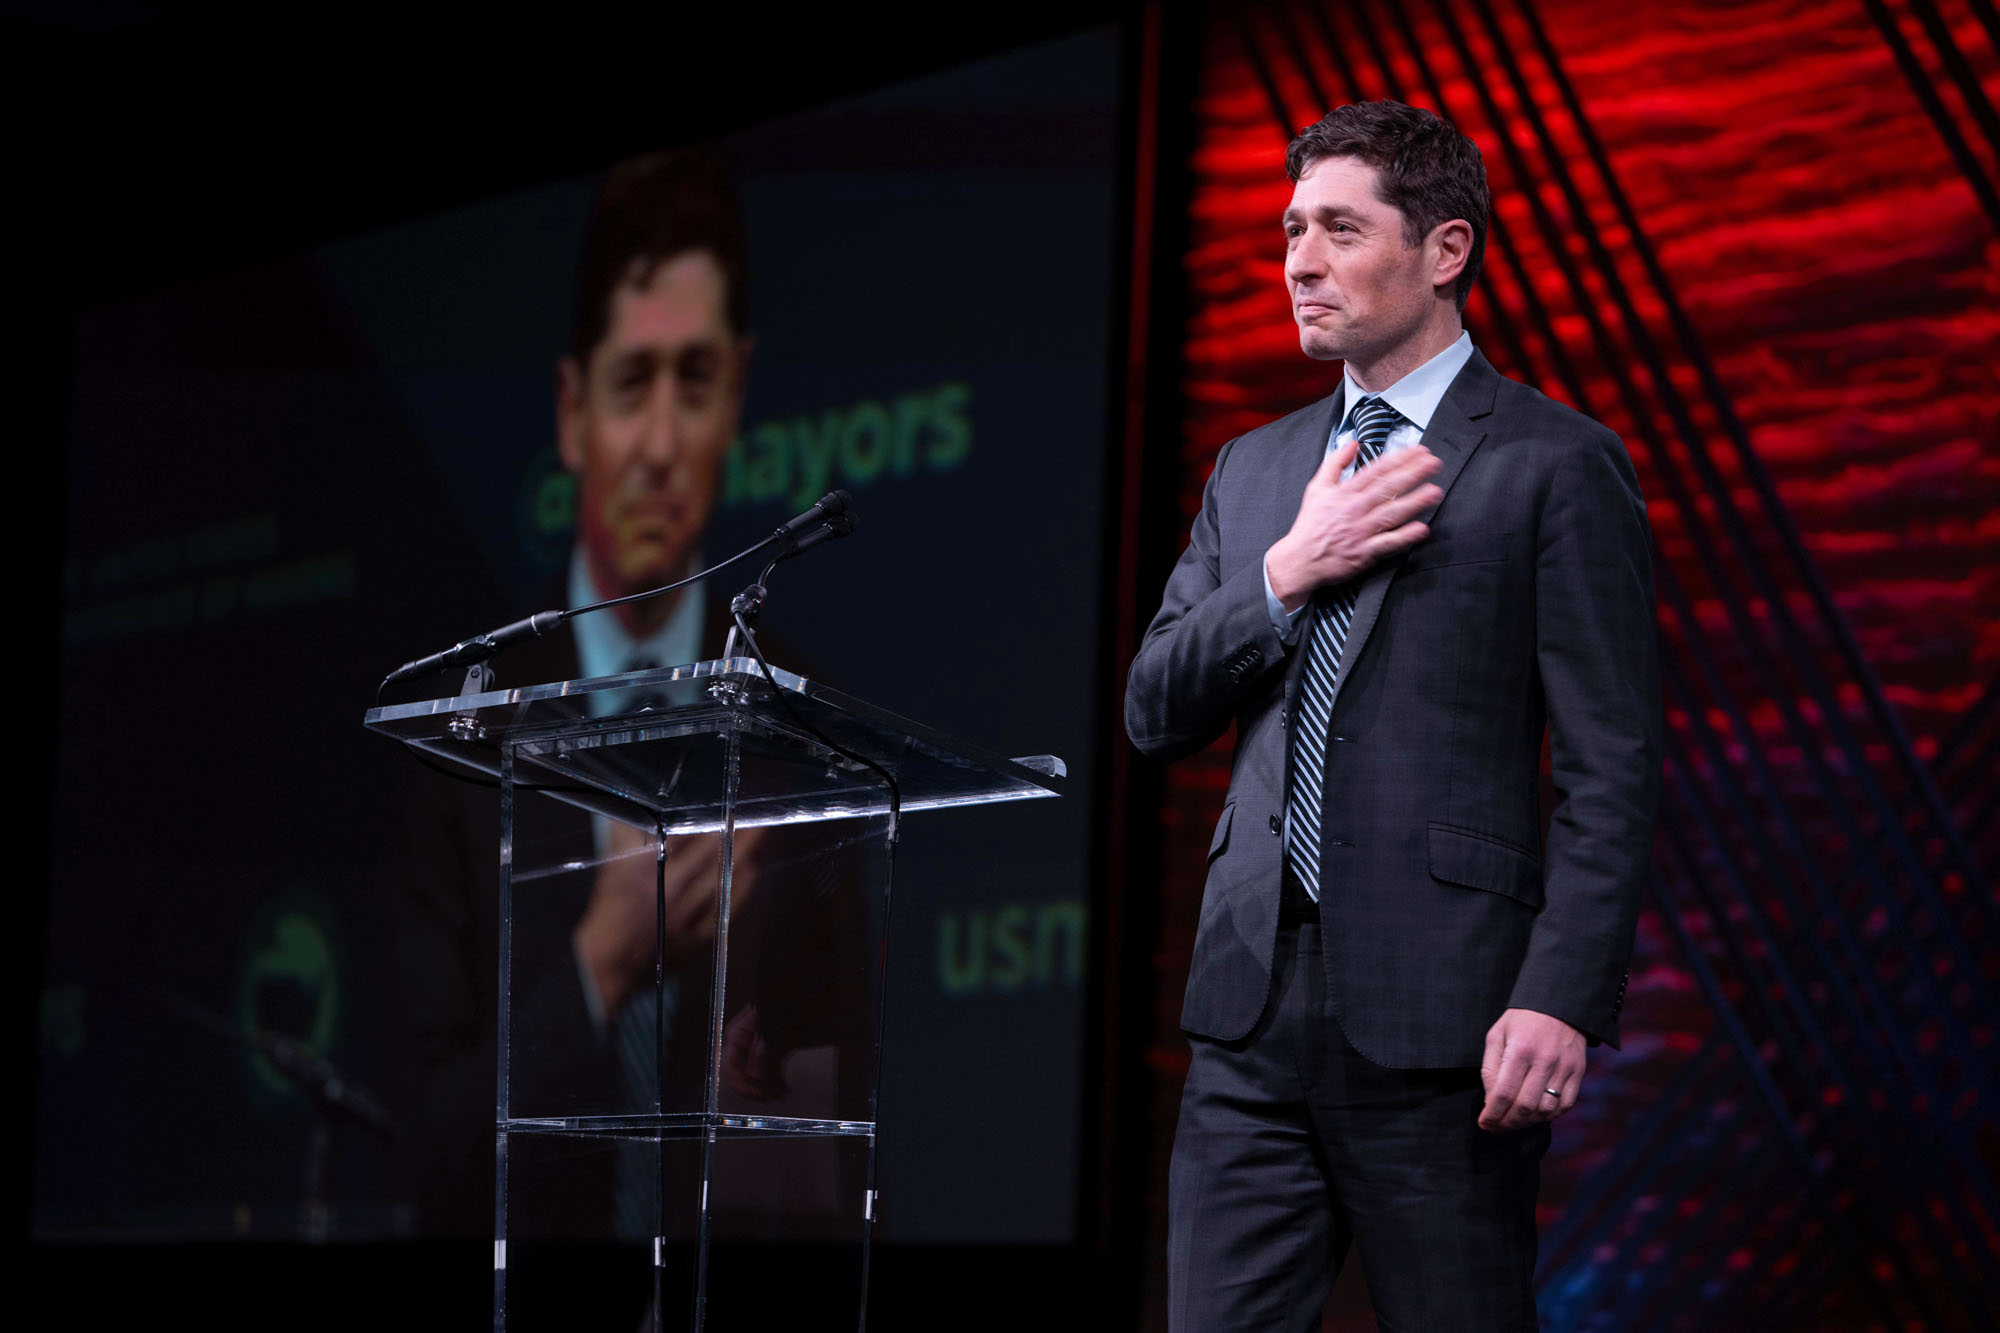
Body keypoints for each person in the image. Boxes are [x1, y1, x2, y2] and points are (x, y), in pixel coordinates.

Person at [1124, 100, 1660, 1330]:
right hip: (1246, 1018)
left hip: (1447, 1021)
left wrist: (1561, 992)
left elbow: (1609, 763)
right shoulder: (1255, 470)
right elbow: (1152, 710)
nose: (1297, 262)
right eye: (1288, 230)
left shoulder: (1551, 461)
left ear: (1444, 250)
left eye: (1336, 229)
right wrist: (1284, 569)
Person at [396, 151, 864, 1259]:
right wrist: (600, 961)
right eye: (631, 383)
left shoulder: (804, 725)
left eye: (694, 383)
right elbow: (423, 1156)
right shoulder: (462, 729)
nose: (659, 442)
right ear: (572, 411)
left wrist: (752, 985)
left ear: (734, 401)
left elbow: (849, 1128)